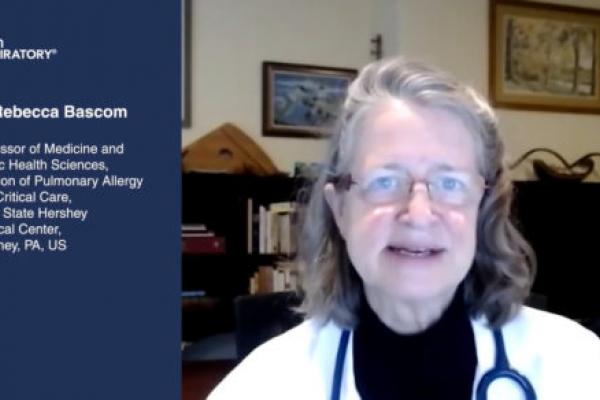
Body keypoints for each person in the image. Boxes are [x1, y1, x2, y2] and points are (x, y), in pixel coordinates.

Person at [208, 57, 600, 399]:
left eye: (450, 184)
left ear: (483, 209)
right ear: (340, 208)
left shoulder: (577, 366)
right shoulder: (263, 385)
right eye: (385, 181)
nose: (418, 212)